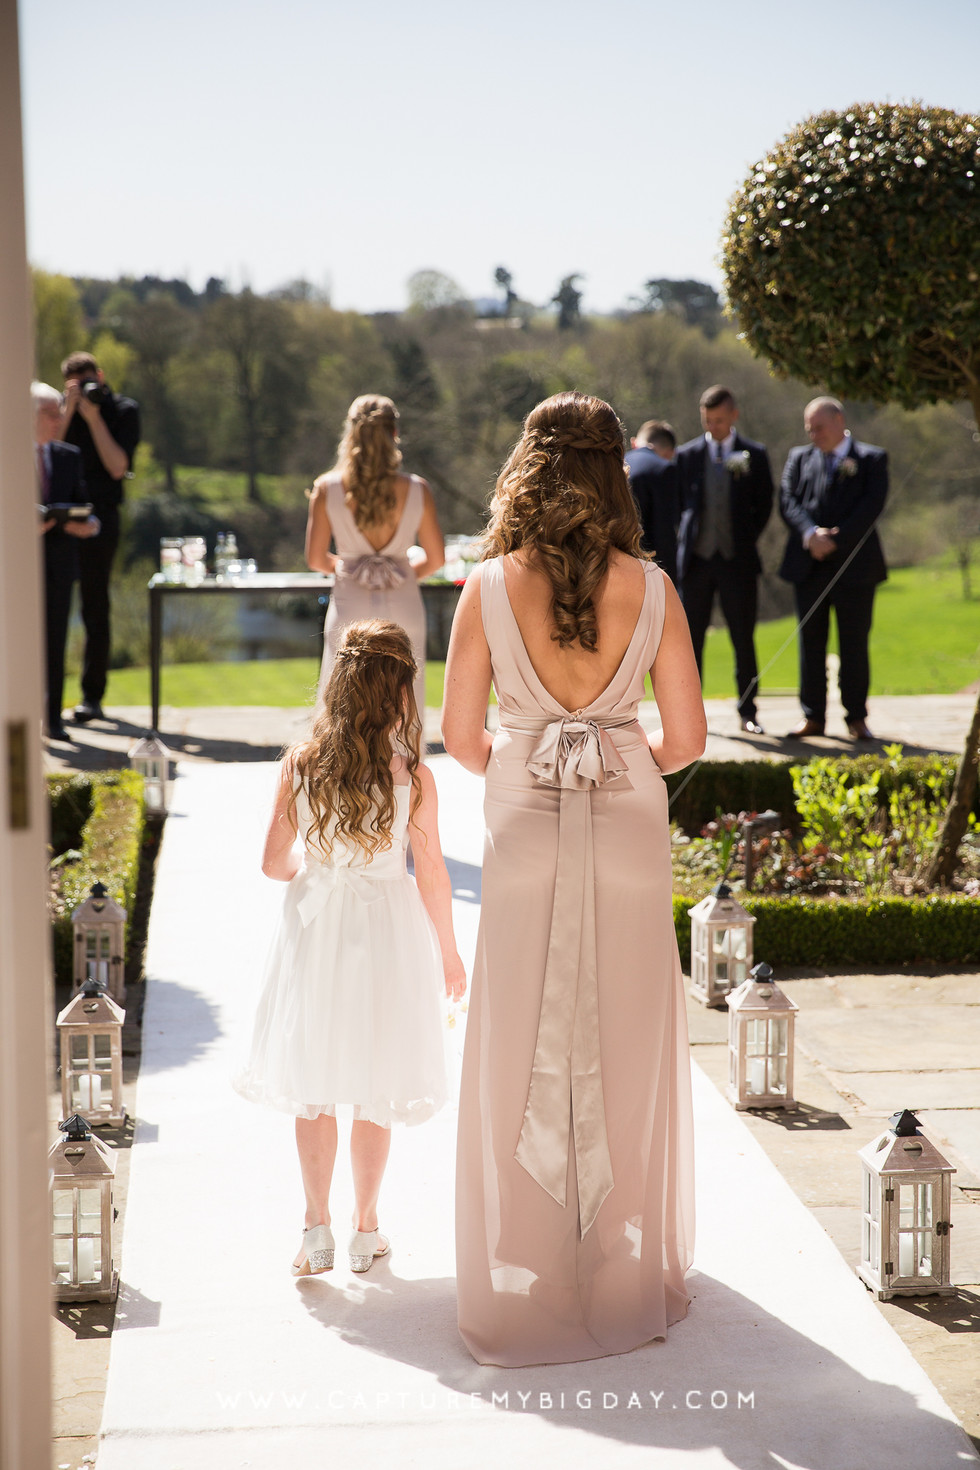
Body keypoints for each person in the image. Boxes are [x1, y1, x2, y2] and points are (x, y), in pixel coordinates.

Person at [443, 391, 705, 1367]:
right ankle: (616, 1262)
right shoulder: (654, 589)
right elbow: (683, 740)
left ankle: (530, 1259)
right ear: (613, 474)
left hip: (523, 826)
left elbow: (458, 739)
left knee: (517, 1038)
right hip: (630, 822)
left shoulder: (482, 589)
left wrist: (533, 757)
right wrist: (609, 747)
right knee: (625, 1038)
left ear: (527, 464)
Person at [234, 620, 466, 1276]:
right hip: (387, 929)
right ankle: (367, 1229)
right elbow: (434, 875)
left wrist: (318, 868)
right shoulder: (412, 777)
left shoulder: (301, 765)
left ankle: (316, 1230)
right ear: (397, 695)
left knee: (313, 1082)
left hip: (316, 931)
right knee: (376, 1081)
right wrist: (449, 953)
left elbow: (273, 865)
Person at [305, 395, 445, 719]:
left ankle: (341, 765)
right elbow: (436, 558)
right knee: (404, 700)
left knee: (343, 697)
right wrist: (400, 575)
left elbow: (315, 558)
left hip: (349, 603)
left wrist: (349, 569)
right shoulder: (418, 489)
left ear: (350, 434)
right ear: (394, 433)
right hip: (405, 602)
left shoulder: (326, 488)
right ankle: (405, 767)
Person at [779, 396, 888, 741]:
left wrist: (835, 539)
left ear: (839, 420)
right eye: (809, 429)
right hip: (808, 565)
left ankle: (856, 717)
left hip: (855, 567)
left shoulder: (871, 459)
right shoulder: (799, 458)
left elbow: (871, 505)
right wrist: (811, 534)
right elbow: (788, 499)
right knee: (810, 644)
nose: (813, 435)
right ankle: (813, 716)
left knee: (853, 643)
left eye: (819, 428)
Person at [675, 385, 773, 734]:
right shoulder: (686, 456)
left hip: (737, 561)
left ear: (733, 415)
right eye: (707, 420)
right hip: (697, 563)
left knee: (743, 639)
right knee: (690, 642)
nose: (713, 426)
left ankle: (748, 712)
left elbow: (764, 504)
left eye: (719, 419)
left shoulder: (754, 455)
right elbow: (679, 505)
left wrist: (743, 540)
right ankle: (689, 715)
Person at [57, 351, 140, 725]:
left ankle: (92, 696)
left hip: (101, 516)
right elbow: (46, 450)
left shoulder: (122, 411)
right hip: (57, 518)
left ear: (101, 377)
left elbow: (118, 466)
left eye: (89, 382)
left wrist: (92, 418)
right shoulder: (60, 412)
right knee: (51, 606)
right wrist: (67, 412)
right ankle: (48, 697)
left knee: (95, 606)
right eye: (76, 384)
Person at [33, 382, 100, 742]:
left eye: (60, 411)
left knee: (55, 644)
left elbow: (87, 511)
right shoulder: (9, 454)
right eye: (50, 412)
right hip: (17, 571)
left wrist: (79, 523)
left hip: (58, 566)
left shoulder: (68, 456)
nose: (59, 418)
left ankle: (52, 721)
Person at [624, 419, 678, 581]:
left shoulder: (615, 464)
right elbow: (665, 530)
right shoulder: (664, 469)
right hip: (650, 567)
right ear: (669, 453)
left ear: (634, 442)